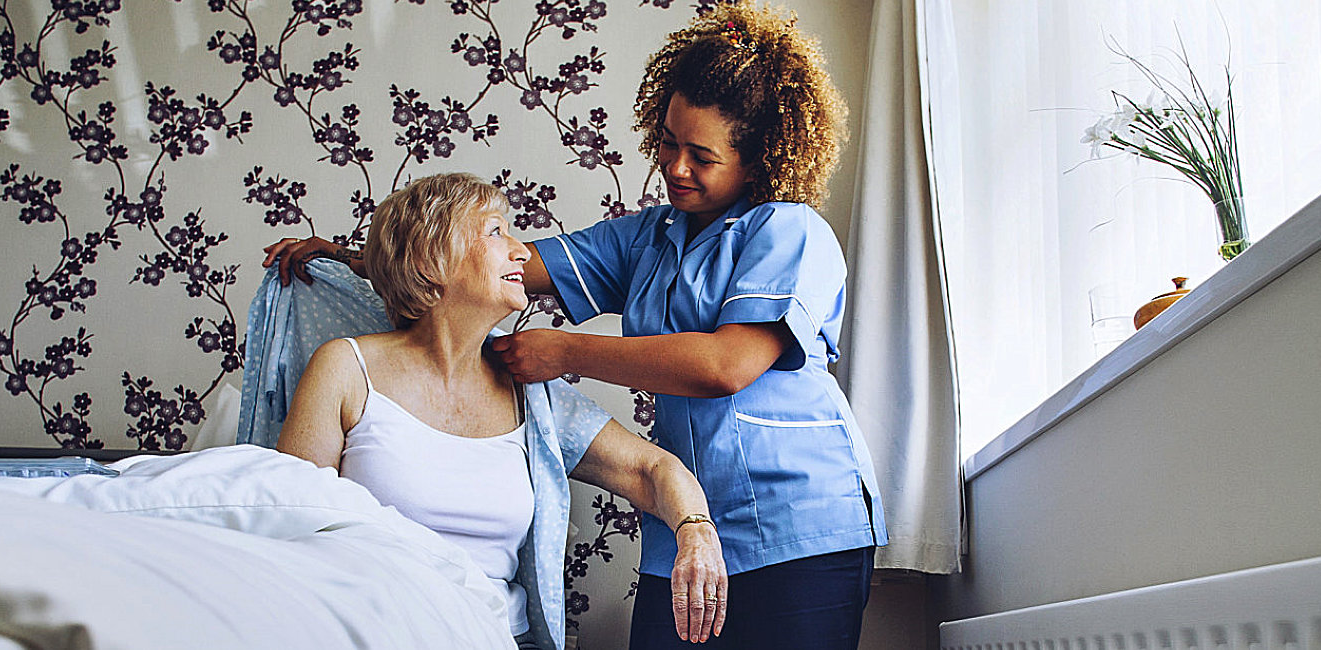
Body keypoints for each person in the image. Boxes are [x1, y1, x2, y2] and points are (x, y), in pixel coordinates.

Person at [263, 3, 883, 647]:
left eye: (701, 155)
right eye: (669, 142)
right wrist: (362, 259)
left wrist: (565, 351)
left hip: (798, 521)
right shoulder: (647, 239)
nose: (674, 167)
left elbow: (726, 366)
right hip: (682, 527)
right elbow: (489, 264)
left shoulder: (791, 232)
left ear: (756, 160)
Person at [273, 172, 729, 650]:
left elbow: (652, 467)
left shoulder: (531, 394)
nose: (521, 252)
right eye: (495, 232)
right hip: (371, 632)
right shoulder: (346, 368)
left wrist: (695, 530)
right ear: (432, 258)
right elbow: (289, 525)